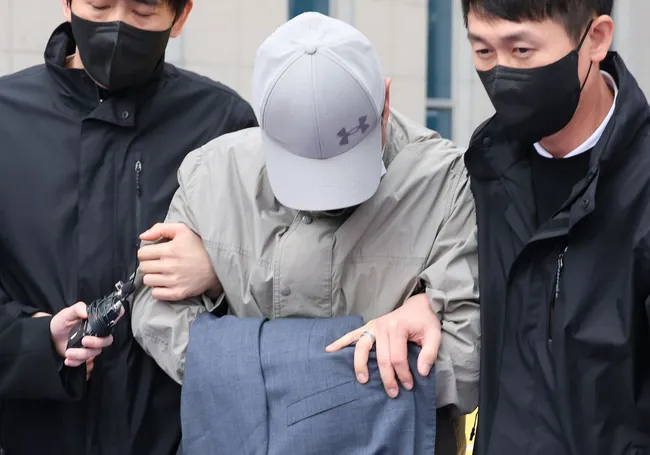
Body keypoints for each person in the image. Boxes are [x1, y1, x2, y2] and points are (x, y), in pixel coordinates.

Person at [131, 12, 479, 455]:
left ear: (385, 100)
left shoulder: (447, 183)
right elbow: (154, 313)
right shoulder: (213, 174)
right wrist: (371, 364)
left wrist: (245, 360)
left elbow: (466, 358)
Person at [0, 0, 257, 453]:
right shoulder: (7, 118)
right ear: (68, 3)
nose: (117, 26)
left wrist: (220, 266)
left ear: (180, 16)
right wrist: (36, 343)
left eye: (142, 10)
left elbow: (290, 281)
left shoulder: (222, 125)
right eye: (100, 4)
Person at [462, 0, 650, 453]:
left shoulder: (640, 187)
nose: (501, 72)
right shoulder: (482, 172)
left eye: (521, 50)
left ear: (595, 39)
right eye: (483, 51)